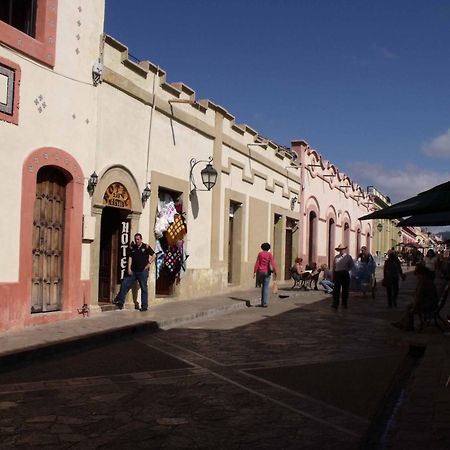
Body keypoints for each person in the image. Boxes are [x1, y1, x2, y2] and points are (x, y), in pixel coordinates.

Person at [113, 233, 156, 311]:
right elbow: (130, 258)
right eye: (136, 239)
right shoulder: (133, 248)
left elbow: (154, 255)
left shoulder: (146, 247)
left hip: (142, 271)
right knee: (125, 284)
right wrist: (129, 268)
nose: (137, 241)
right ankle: (120, 301)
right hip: (133, 271)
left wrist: (149, 264)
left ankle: (144, 306)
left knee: (144, 288)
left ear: (141, 239)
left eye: (138, 239)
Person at [392, 265, 438, 331]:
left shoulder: (423, 282)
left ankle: (405, 325)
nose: (416, 277)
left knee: (411, 308)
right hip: (431, 302)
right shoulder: (427, 280)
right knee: (409, 306)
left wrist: (415, 306)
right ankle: (405, 324)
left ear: (420, 274)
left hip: (429, 304)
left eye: (417, 275)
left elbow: (419, 296)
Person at [253, 242, 277, 307]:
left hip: (260, 272)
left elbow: (257, 263)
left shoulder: (260, 254)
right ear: (269, 248)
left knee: (263, 286)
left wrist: (254, 271)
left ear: (262, 247)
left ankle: (262, 302)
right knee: (266, 287)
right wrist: (275, 271)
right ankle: (265, 302)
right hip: (267, 272)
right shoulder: (269, 254)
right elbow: (273, 263)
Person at [332, 244, 354, 309]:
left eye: (342, 249)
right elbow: (334, 267)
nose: (341, 251)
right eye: (340, 250)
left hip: (345, 274)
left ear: (344, 250)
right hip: (337, 274)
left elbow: (352, 266)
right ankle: (335, 304)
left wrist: (349, 272)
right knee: (336, 290)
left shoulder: (348, 257)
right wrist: (333, 275)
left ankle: (344, 303)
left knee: (345, 290)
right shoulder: (336, 257)